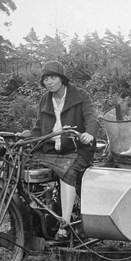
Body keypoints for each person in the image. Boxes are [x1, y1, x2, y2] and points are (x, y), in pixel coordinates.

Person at [31, 61, 100, 240]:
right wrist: (29, 141)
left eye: (53, 77)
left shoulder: (80, 95)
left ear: (62, 78)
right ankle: (34, 219)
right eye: (45, 79)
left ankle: (65, 224)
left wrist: (89, 134)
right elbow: (38, 127)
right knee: (25, 169)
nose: (49, 82)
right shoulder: (45, 100)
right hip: (51, 150)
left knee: (67, 171)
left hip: (77, 149)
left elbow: (92, 117)